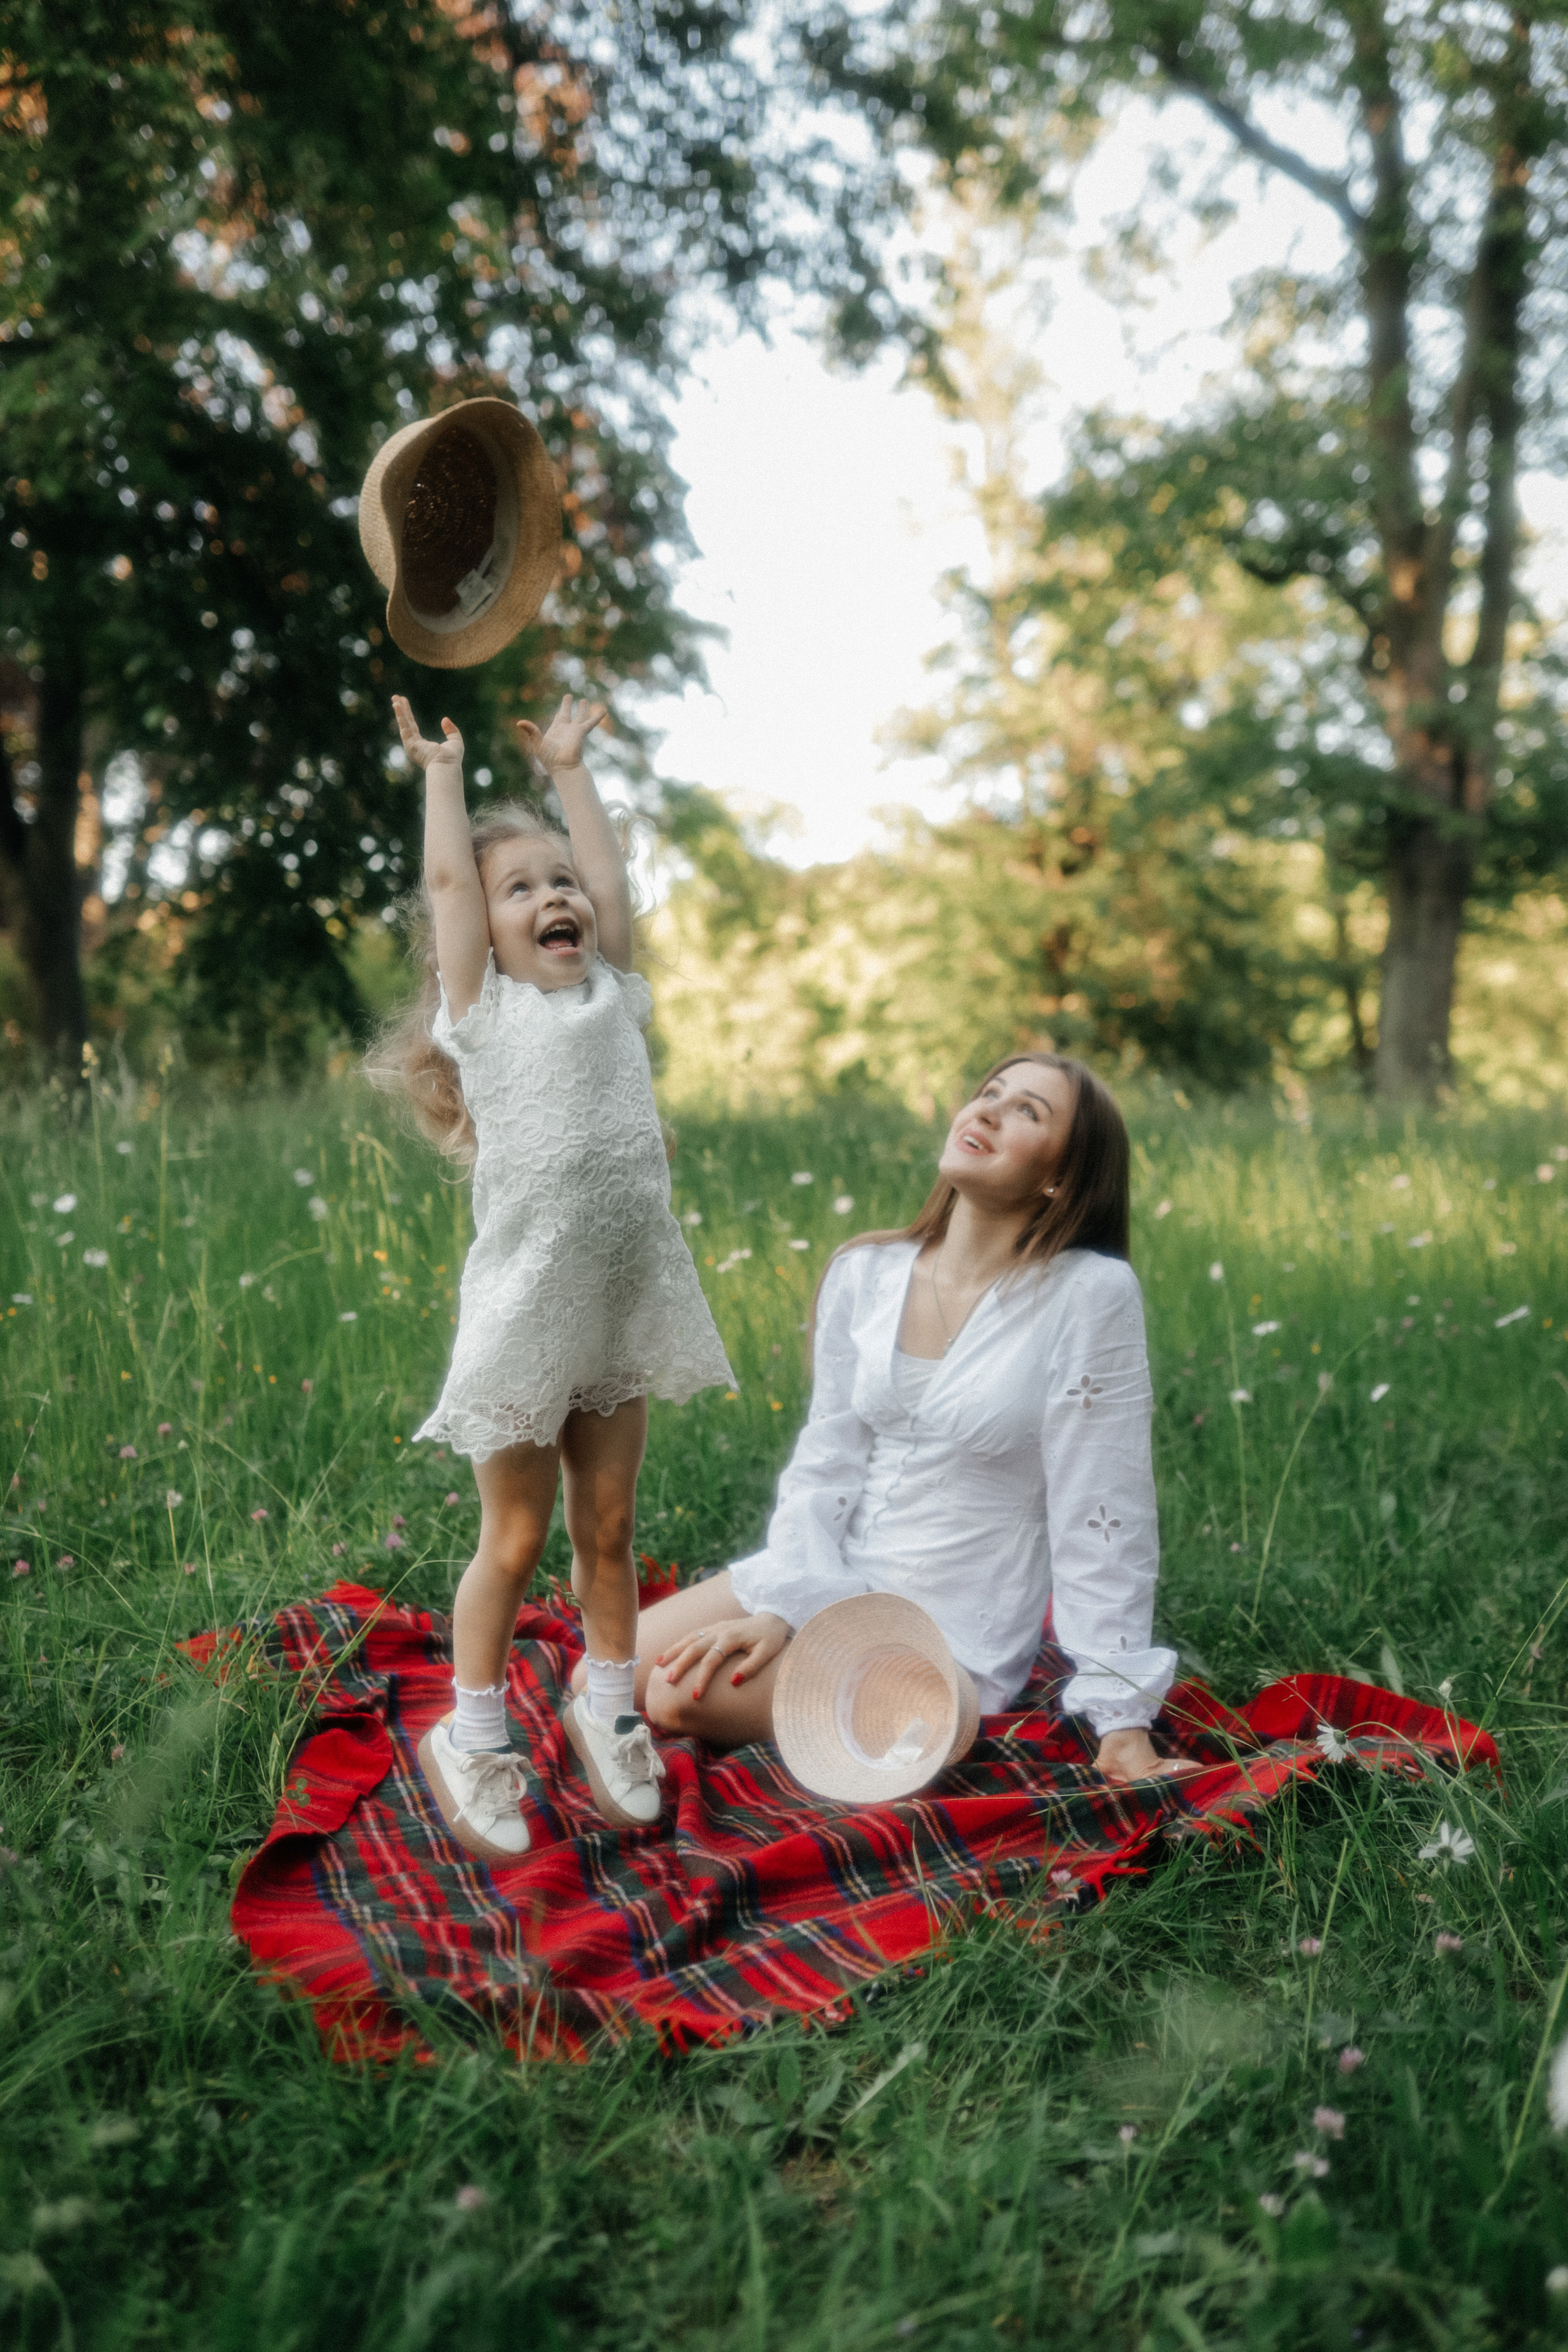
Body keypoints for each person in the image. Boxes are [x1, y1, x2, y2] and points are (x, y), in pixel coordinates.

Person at [371, 693, 734, 1856]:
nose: (556, 900)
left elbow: (615, 887)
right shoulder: (486, 1015)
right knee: (515, 1542)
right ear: (485, 930)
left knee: (613, 1527)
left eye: (558, 882)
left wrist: (572, 771)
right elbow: (444, 891)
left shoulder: (613, 996)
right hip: (528, 1319)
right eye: (520, 889)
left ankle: (608, 1706)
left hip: (625, 1306)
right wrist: (445, 774)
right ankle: (472, 1737)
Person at [623, 1052, 1194, 1785]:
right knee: (600, 1681)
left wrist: (1122, 1721)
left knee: (673, 1697)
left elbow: (1103, 1513)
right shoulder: (866, 1271)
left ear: (1060, 1177)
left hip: (945, 1633)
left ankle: (881, 1698)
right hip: (826, 1569)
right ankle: (798, 1653)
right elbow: (824, 1461)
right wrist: (793, 1605)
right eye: (989, 1093)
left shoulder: (1089, 1295)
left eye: (1028, 1111)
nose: (986, 1111)